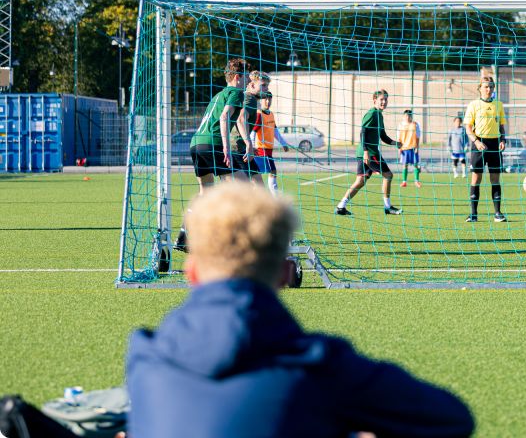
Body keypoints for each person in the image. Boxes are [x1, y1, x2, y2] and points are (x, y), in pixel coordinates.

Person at [126, 182, 475, 438]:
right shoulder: (322, 365)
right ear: (285, 272)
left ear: (192, 271)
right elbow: (452, 419)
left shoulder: (145, 358)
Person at [188, 58, 250, 194]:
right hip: (213, 143)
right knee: (245, 188)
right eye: (247, 76)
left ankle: (192, 215)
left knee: (206, 192)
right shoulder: (236, 92)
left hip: (196, 144)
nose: (249, 81)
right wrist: (226, 148)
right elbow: (224, 116)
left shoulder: (218, 95)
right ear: (238, 76)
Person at [336, 90, 402, 216]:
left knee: (360, 181)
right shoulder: (371, 114)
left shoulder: (379, 115)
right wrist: (366, 152)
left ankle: (341, 206)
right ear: (374, 100)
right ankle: (387, 207)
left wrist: (395, 143)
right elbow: (363, 132)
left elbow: (383, 136)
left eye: (386, 99)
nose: (384, 102)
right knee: (388, 175)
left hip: (365, 152)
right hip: (369, 153)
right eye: (381, 99)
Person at [464, 76, 507, 223]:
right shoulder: (473, 105)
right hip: (479, 144)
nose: (489, 89)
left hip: (495, 144)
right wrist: (476, 141)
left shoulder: (499, 105)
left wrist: (503, 139)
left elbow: (501, 125)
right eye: (486, 87)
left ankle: (498, 213)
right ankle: (473, 214)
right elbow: (468, 127)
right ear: (480, 88)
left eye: (491, 87)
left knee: (495, 179)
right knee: (476, 178)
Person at [251, 90, 292, 195]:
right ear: (261, 101)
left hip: (269, 150)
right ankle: (275, 196)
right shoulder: (259, 115)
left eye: (270, 99)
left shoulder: (271, 114)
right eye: (265, 99)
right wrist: (251, 146)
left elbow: (275, 131)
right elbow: (253, 132)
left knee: (256, 174)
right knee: (272, 172)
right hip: (261, 150)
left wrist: (283, 143)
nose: (268, 101)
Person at [235, 71, 268, 181]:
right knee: (257, 188)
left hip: (235, 148)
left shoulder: (244, 97)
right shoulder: (250, 98)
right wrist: (248, 143)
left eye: (267, 86)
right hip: (239, 149)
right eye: (263, 85)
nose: (266, 89)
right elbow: (241, 119)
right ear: (252, 85)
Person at [397, 109, 422, 188]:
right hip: (404, 148)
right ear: (403, 116)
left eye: (409, 116)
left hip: (413, 147)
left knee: (415, 165)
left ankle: (417, 181)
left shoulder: (415, 124)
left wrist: (417, 147)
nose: (407, 117)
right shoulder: (400, 125)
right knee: (405, 165)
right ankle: (404, 182)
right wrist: (399, 148)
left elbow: (418, 137)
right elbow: (399, 138)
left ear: (411, 116)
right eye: (406, 116)